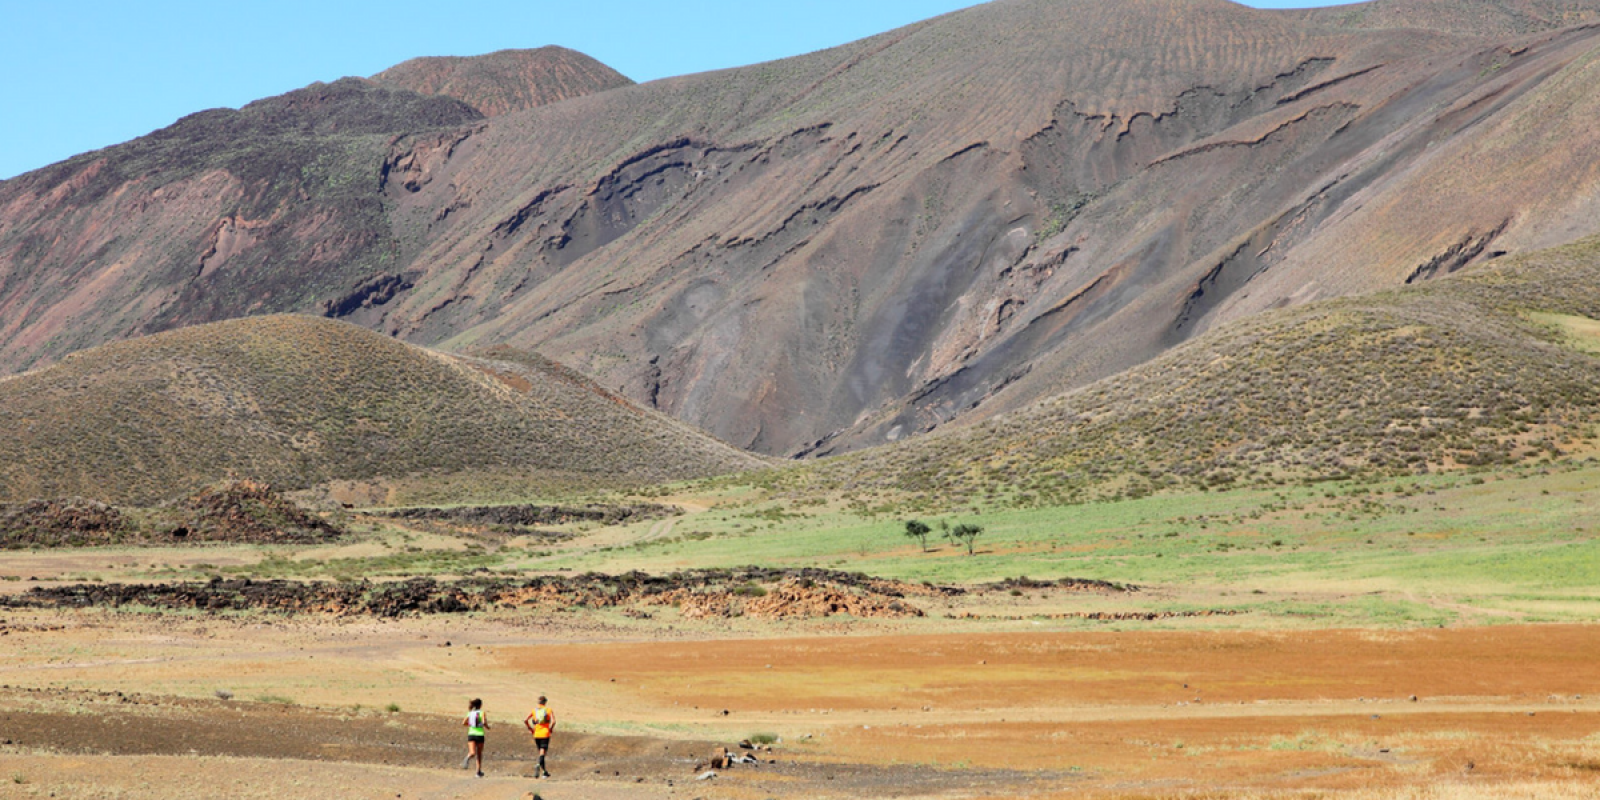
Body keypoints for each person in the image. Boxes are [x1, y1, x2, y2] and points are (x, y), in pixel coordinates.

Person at [524, 695, 555, 778]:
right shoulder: (548, 710)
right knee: (542, 753)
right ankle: (538, 765)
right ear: (545, 702)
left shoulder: (534, 711)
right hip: (545, 734)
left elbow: (525, 720)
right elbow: (553, 721)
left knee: (541, 753)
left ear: (538, 702)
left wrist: (530, 729)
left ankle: (544, 772)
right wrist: (551, 729)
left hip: (536, 734)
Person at [462, 698, 489, 777]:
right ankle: (478, 772)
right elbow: (484, 722)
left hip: (471, 734)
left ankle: (468, 757)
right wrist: (487, 727)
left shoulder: (470, 713)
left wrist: (471, 724)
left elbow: (463, 723)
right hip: (480, 734)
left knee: (472, 752)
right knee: (479, 754)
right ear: (480, 705)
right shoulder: (482, 713)